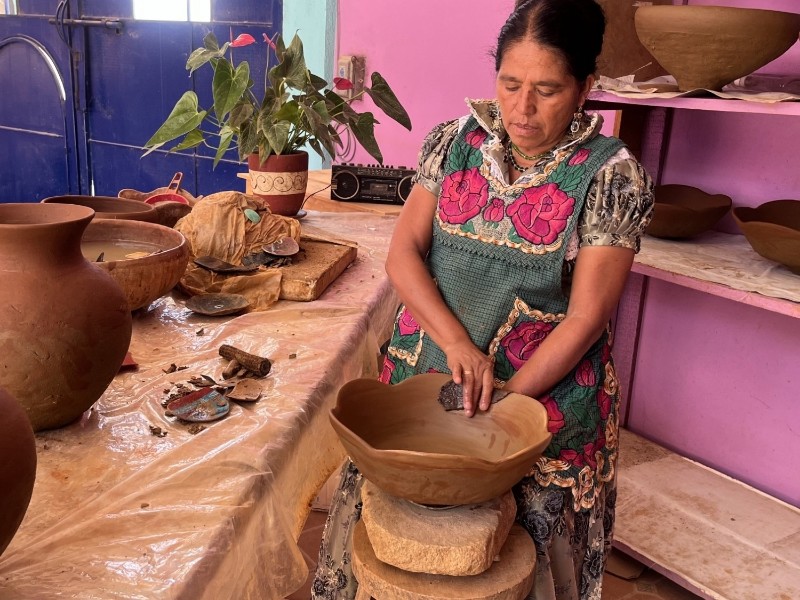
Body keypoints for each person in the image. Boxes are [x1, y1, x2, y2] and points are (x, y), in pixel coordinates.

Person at [312, 0, 653, 598]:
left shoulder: (610, 175)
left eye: (547, 90)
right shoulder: (454, 142)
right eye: (510, 83)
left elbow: (586, 315)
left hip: (543, 395)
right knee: (397, 542)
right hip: (428, 370)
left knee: (516, 557)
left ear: (585, 89)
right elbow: (403, 254)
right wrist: (456, 344)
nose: (522, 109)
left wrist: (507, 409)